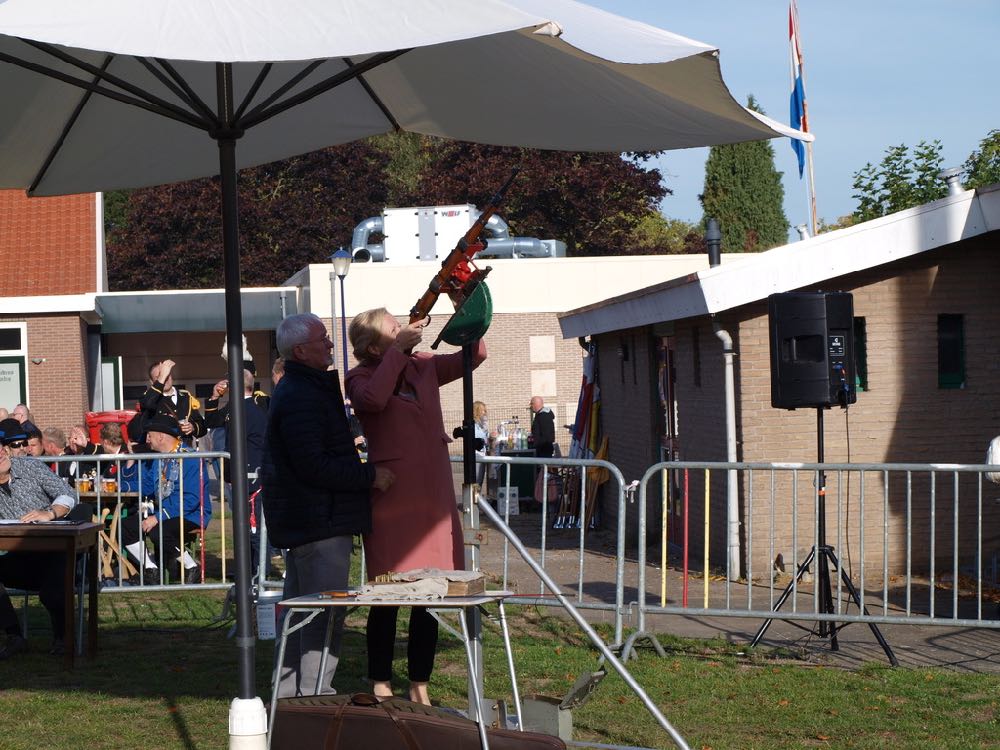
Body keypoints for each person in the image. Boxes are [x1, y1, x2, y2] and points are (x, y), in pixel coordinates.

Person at [346, 307, 487, 705]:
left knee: (431, 594)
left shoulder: (423, 365)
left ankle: (419, 683)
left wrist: (470, 310)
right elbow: (373, 401)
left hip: (432, 495)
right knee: (387, 595)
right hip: (392, 499)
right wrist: (398, 354)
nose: (405, 328)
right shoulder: (358, 377)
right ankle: (379, 680)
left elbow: (472, 357)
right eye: (394, 328)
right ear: (374, 346)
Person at [262, 312, 393, 699]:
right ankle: (315, 699)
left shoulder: (303, 389)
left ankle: (290, 701)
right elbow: (314, 465)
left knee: (303, 614)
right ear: (301, 350)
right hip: (318, 521)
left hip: (313, 520)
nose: (331, 345)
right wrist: (369, 476)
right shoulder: (301, 394)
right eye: (323, 339)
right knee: (322, 615)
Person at [0, 418, 80, 659]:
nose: (2, 453)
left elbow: (67, 493)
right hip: (19, 556)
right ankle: (14, 636)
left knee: (52, 590)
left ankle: (62, 637)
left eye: (1, 448)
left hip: (54, 552)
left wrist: (51, 512)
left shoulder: (30, 467)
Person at [117, 414, 211, 585]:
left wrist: (158, 517)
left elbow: (191, 500)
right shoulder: (158, 459)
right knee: (124, 527)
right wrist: (120, 486)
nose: (147, 439)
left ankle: (192, 567)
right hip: (165, 512)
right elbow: (146, 486)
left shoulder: (190, 458)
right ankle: (151, 570)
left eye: (149, 435)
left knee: (157, 530)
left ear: (160, 436)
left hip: (191, 514)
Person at [205, 368, 270, 578]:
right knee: (246, 526)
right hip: (241, 476)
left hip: (251, 476)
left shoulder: (249, 409)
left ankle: (258, 572)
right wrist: (214, 397)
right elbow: (212, 421)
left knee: (254, 528)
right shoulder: (237, 407)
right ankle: (249, 570)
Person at [128, 359, 206, 445]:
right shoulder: (149, 398)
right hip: (161, 453)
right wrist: (162, 377)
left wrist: (193, 427)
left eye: (167, 375)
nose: (165, 379)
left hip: (184, 451)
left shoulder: (186, 397)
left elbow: (203, 427)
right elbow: (147, 404)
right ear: (151, 382)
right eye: (159, 377)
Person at [473, 400, 491, 491]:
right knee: (476, 480)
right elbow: (479, 438)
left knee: (480, 480)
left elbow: (485, 437)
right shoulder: (474, 425)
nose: (485, 412)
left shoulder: (480, 424)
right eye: (483, 410)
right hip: (477, 454)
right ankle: (473, 501)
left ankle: (476, 500)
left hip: (482, 454)